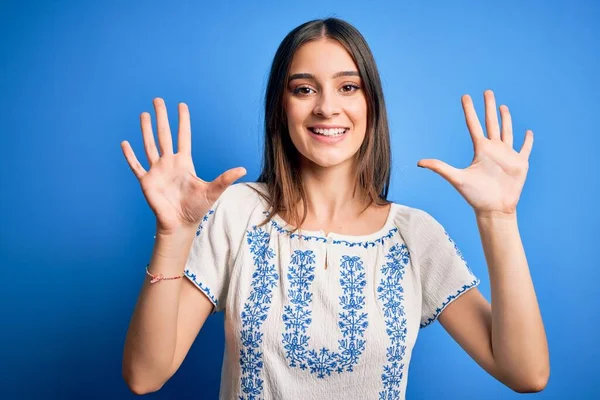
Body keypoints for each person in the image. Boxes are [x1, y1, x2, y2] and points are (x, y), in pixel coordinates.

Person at [120, 18, 549, 399]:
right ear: (280, 107)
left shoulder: (415, 235)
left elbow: (525, 373)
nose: (327, 107)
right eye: (304, 89)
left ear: (371, 105)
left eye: (348, 87)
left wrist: (499, 218)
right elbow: (145, 376)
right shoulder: (238, 212)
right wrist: (173, 234)